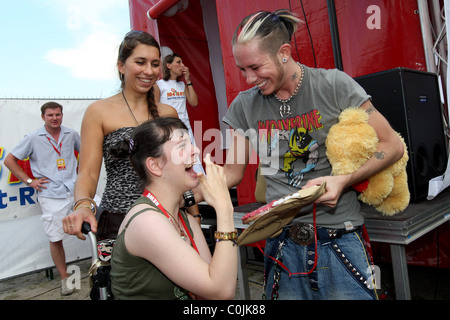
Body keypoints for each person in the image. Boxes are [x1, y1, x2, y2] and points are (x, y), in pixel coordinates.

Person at [196, 9, 404, 300]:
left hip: (339, 240)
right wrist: (188, 192)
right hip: (281, 246)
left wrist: (342, 180)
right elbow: (232, 173)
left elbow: (392, 145)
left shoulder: (333, 85)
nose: (248, 78)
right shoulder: (244, 107)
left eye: (255, 67)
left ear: (284, 52)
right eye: (242, 69)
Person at [62, 31, 179, 241]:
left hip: (168, 217)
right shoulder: (98, 111)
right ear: (121, 66)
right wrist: (82, 206)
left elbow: (181, 169)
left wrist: (194, 214)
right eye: (140, 62)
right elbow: (87, 173)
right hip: (119, 222)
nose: (148, 71)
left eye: (154, 64)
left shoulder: (168, 113)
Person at [110, 117, 237, 300]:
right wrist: (224, 209)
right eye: (182, 146)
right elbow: (221, 291)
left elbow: (214, 285)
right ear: (155, 165)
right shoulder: (147, 222)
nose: (196, 151)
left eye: (191, 143)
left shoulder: (184, 219)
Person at [4, 101, 81, 296]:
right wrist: (30, 181)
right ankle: (65, 279)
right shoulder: (32, 137)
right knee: (56, 237)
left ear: (62, 115)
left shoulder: (71, 134)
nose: (55, 118)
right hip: (51, 195)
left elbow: (88, 154)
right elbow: (9, 160)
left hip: (75, 190)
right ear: (43, 117)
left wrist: (83, 176)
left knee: (99, 222)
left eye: (58, 114)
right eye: (50, 115)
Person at [155, 53, 203, 221]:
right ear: (168, 65)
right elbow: (153, 109)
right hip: (170, 133)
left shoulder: (182, 85)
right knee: (179, 168)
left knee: (194, 167)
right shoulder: (159, 85)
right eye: (178, 62)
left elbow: (194, 102)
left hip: (186, 130)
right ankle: (184, 208)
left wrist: (188, 79)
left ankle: (195, 209)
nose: (182, 64)